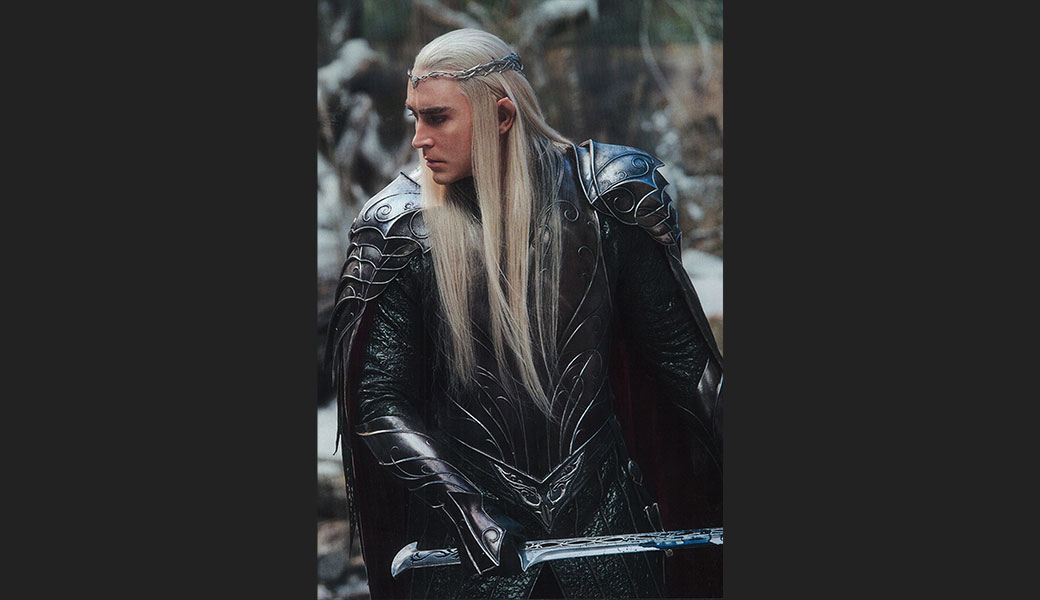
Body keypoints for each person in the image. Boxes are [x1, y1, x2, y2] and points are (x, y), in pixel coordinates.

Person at [326, 28, 723, 599]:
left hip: (608, 526)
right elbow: (377, 402)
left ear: (503, 116)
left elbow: (688, 370)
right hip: (471, 551)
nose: (418, 139)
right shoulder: (400, 229)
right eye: (415, 117)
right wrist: (464, 507)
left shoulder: (606, 197)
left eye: (437, 118)